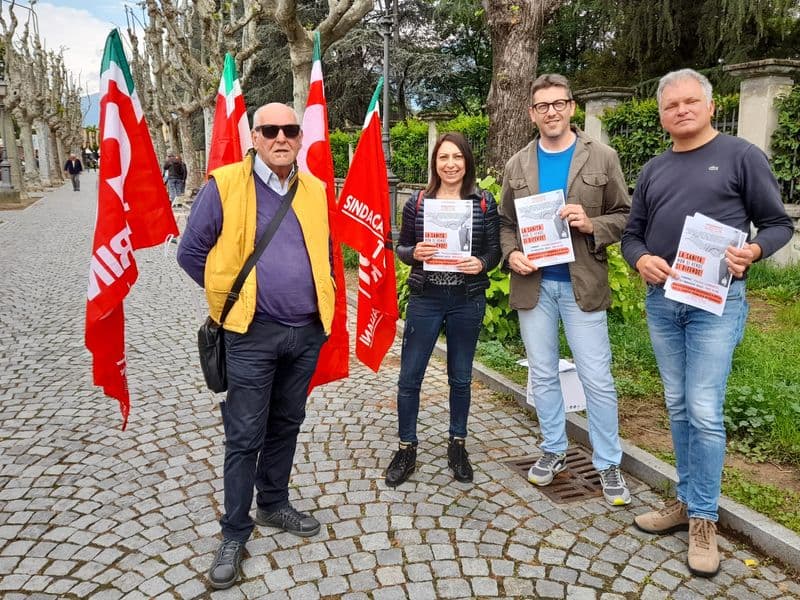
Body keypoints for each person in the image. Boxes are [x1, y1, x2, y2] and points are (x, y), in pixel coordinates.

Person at [621, 69, 792, 577]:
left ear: (711, 106)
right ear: (661, 114)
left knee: (703, 409)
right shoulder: (653, 169)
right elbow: (632, 233)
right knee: (676, 404)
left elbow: (779, 223)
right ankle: (685, 500)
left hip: (716, 304)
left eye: (691, 102)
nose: (681, 110)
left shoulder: (742, 156)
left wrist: (754, 251)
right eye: (671, 105)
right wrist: (640, 259)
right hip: (663, 301)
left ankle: (704, 519)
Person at [177, 103, 334, 590]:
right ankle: (233, 532)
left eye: (290, 129)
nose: (282, 137)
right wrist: (233, 299)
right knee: (244, 436)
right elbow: (190, 252)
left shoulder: (314, 189)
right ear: (254, 136)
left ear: (299, 137)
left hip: (305, 331)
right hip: (250, 333)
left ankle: (274, 502)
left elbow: (324, 250)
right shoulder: (223, 185)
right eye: (271, 130)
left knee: (287, 421)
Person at [498, 73, 632, 506]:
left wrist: (593, 224)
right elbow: (504, 223)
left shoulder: (602, 157)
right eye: (542, 106)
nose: (551, 112)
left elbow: (627, 215)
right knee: (542, 374)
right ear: (531, 113)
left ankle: (608, 463)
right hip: (534, 285)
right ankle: (553, 449)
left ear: (572, 107)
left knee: (597, 377)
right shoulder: (517, 164)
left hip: (582, 285)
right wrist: (510, 253)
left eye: (558, 104)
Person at [385, 132, 501, 487]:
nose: (450, 164)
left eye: (457, 157)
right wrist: (413, 254)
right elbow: (401, 247)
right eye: (443, 158)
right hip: (427, 298)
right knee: (410, 377)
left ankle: (457, 443)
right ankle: (406, 447)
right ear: (434, 163)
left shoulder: (483, 203)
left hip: (467, 299)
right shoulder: (418, 203)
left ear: (467, 162)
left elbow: (495, 252)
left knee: (461, 377)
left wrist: (481, 263)